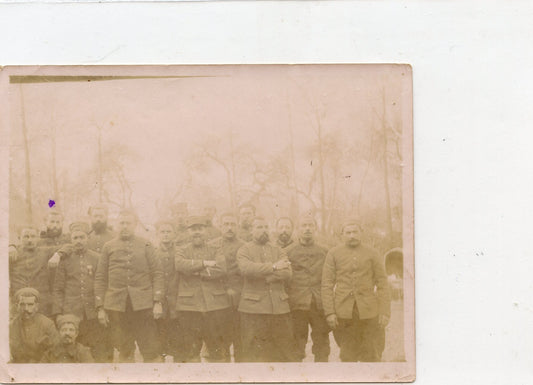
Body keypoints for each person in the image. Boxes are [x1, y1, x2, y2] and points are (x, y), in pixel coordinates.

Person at [94, 209, 164, 363]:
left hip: (143, 306)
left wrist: (157, 301)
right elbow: (100, 278)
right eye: (121, 223)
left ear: (135, 225)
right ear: (117, 225)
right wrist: (100, 307)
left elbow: (157, 273)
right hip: (117, 307)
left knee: (151, 351)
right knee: (124, 351)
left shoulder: (145, 244)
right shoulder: (108, 246)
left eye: (128, 223)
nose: (124, 226)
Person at [321, 219, 391, 362]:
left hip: (370, 311)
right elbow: (327, 284)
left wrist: (384, 311)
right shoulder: (333, 254)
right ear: (342, 234)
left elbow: (383, 283)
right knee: (347, 355)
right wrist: (330, 312)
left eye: (355, 232)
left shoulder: (372, 253)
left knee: (371, 354)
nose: (352, 235)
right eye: (348, 232)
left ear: (361, 233)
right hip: (344, 312)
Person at [237, 216, 297, 362]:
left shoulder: (278, 250)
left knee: (282, 352)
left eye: (265, 227)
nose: (263, 230)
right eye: (259, 227)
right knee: (254, 353)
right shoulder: (244, 250)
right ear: (251, 230)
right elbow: (246, 269)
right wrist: (274, 267)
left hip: (279, 308)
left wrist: (265, 276)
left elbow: (288, 273)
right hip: (253, 309)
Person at [52, 221, 113, 362]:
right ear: (70, 240)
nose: (79, 241)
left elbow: (103, 284)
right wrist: (58, 314)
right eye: (75, 238)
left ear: (88, 239)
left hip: (93, 313)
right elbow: (58, 289)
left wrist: (102, 308)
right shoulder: (64, 260)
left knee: (98, 349)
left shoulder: (97, 258)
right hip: (71, 312)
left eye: (82, 237)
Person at [174, 216, 232, 363]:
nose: (197, 232)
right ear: (188, 232)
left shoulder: (215, 249)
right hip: (190, 307)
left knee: (218, 351)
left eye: (200, 229)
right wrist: (205, 263)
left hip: (215, 305)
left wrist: (195, 271)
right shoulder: (181, 250)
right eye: (193, 229)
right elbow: (180, 265)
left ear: (205, 231)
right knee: (191, 351)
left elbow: (221, 268)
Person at [286, 215, 330, 362]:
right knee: (296, 345)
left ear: (315, 229)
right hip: (297, 304)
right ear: (298, 230)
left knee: (322, 344)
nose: (307, 229)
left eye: (310, 225)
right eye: (303, 226)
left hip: (319, 304)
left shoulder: (325, 251)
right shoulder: (288, 251)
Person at [208, 212, 245, 362]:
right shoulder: (211, 245)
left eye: (232, 224)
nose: (229, 228)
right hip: (217, 299)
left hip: (239, 299)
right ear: (220, 226)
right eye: (226, 224)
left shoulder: (244, 246)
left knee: (240, 341)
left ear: (237, 226)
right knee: (219, 342)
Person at [9, 226, 56, 317]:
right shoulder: (13, 253)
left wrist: (58, 254)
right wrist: (10, 246)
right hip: (18, 302)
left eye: (33, 236)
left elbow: (69, 247)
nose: (30, 240)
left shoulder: (45, 251)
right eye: (26, 236)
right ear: (19, 238)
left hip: (41, 303)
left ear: (38, 238)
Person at [154, 220, 181, 361]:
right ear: (157, 234)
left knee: (179, 346)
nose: (165, 235)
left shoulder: (181, 252)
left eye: (168, 231)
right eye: (162, 232)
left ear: (174, 234)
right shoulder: (152, 253)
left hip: (178, 304)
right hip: (159, 306)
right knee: (159, 347)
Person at [9, 288, 59, 363]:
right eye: (22, 304)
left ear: (37, 306)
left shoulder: (48, 325)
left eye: (30, 304)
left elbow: (57, 350)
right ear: (17, 306)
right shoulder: (11, 326)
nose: (26, 309)